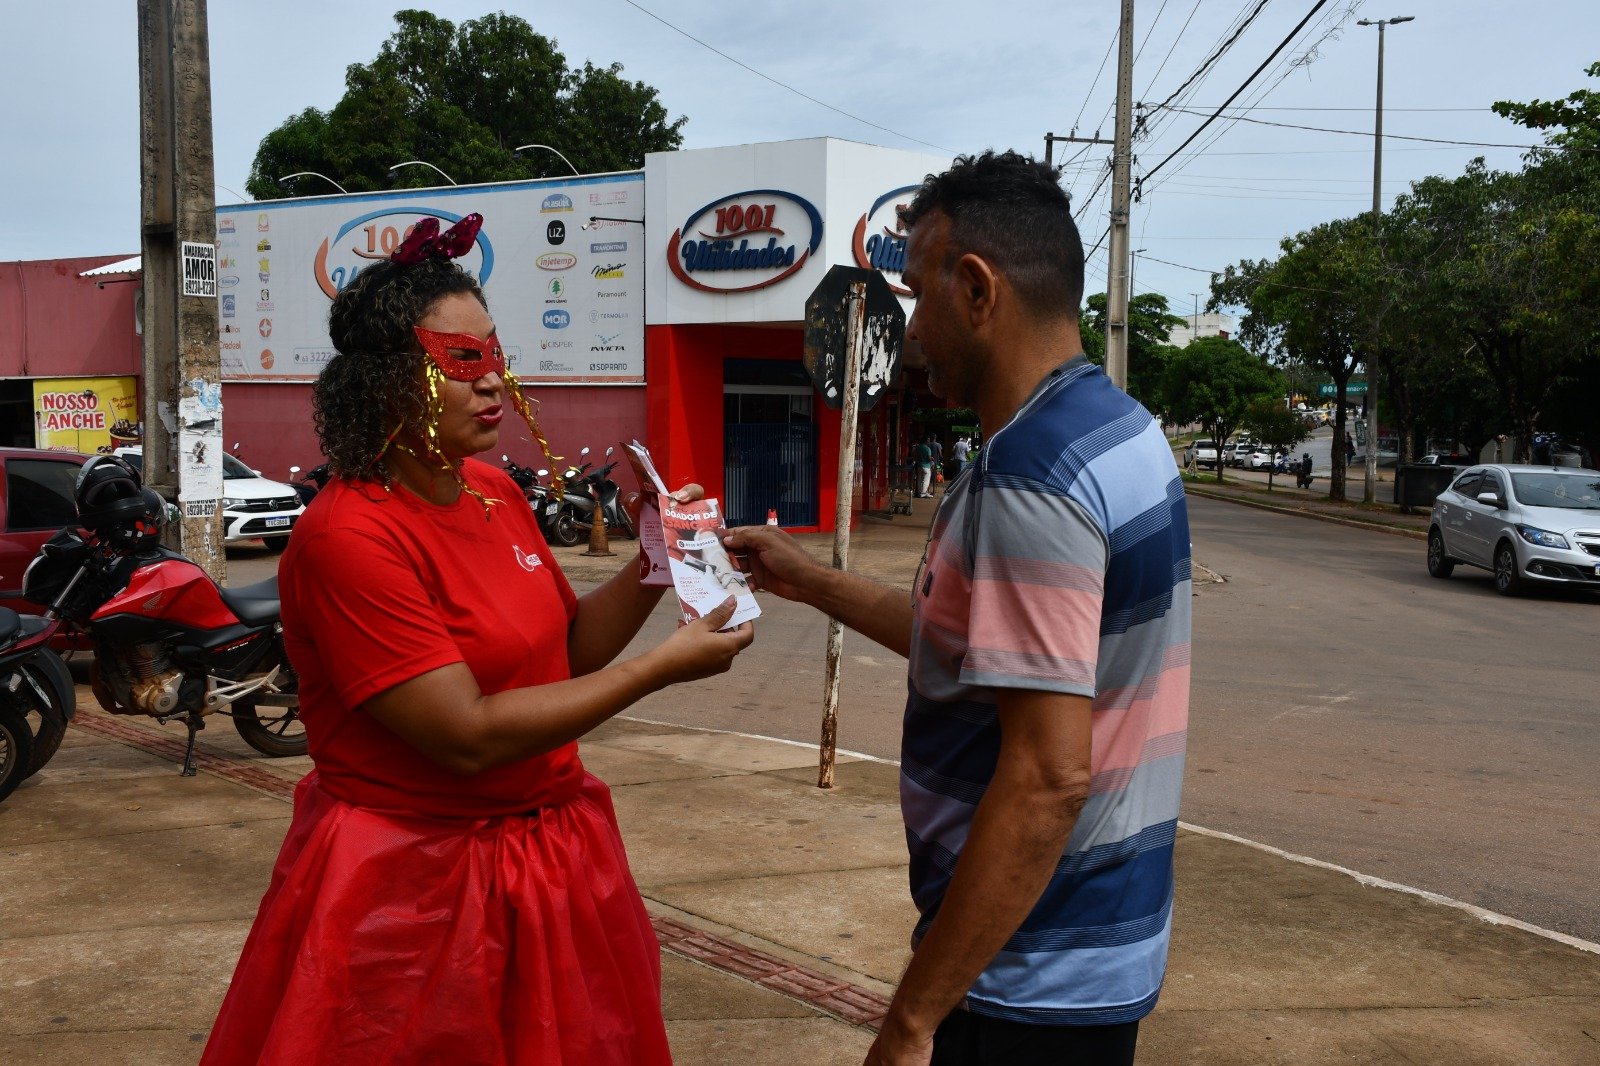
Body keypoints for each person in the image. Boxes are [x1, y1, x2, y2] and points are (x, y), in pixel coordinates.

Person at [201, 214, 754, 1065]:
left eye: (495, 353)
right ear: (388, 381)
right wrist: (659, 670)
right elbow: (465, 735)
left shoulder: (494, 491)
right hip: (413, 884)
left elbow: (565, 653)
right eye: (462, 360)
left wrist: (658, 556)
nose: (493, 379)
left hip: (553, 861)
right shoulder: (350, 537)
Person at [726, 151, 1190, 1066]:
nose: (912, 331)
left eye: (916, 294)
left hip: (1025, 978)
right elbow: (980, 646)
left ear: (977, 289)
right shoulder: (1119, 431)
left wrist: (912, 1019)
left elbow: (1047, 779)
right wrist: (808, 579)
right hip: (1098, 949)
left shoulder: (1032, 478)